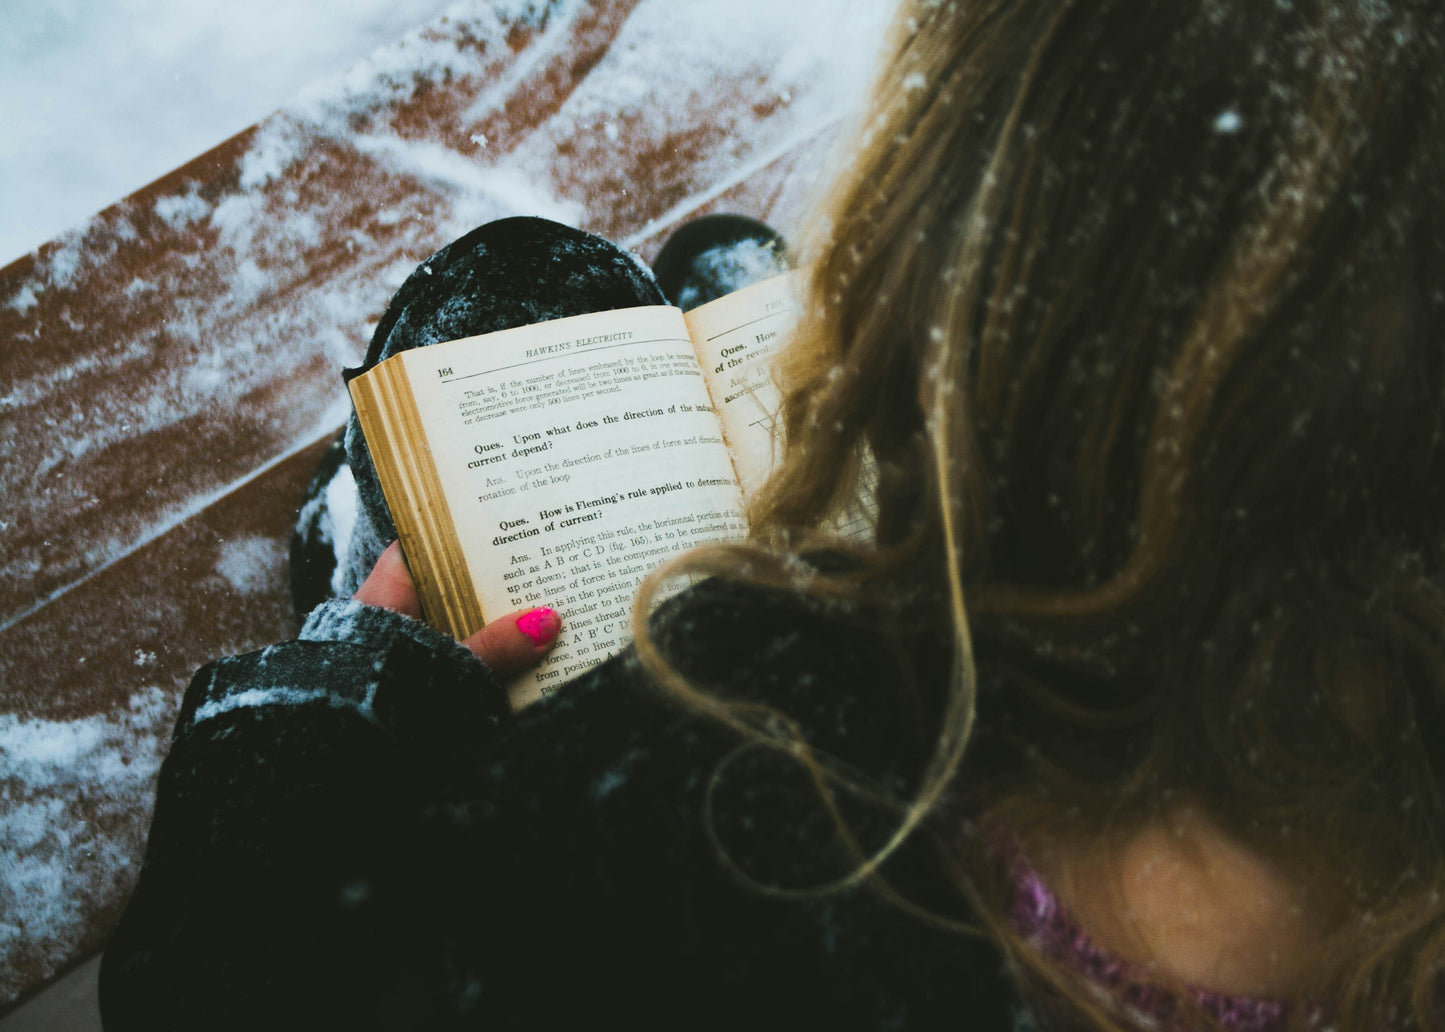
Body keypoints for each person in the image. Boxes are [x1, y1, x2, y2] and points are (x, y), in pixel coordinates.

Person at [99, 0, 1445, 1028]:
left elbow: (232, 995)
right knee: (689, 285)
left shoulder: (747, 773)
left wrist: (308, 721)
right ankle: (740, 315)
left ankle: (370, 562)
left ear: (964, 291)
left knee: (524, 288)